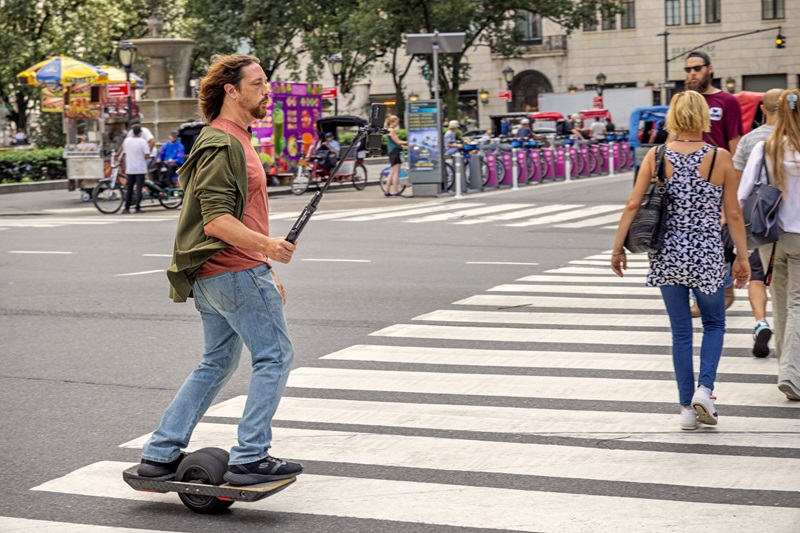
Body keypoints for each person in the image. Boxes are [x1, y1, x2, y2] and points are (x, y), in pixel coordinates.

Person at [137, 53, 302, 485]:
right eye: (258, 83)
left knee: (216, 364)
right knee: (275, 357)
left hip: (224, 274)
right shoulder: (223, 142)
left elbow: (236, 216)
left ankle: (160, 453)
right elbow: (216, 221)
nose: (267, 91)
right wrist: (267, 247)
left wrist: (264, 262)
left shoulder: (233, 139)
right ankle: (250, 457)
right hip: (234, 272)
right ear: (232, 90)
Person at [610, 91, 750, 430]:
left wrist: (617, 249)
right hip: (707, 254)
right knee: (714, 324)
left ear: (673, 117)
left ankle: (687, 408)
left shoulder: (656, 155)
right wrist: (742, 257)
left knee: (680, 332)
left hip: (668, 254)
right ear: (703, 116)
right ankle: (705, 389)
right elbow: (733, 213)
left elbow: (633, 204)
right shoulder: (719, 157)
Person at [738, 88, 800, 401]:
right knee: (797, 302)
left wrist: (739, 242)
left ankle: (785, 368)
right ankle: (791, 373)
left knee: (781, 300)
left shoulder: (765, 147)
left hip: (771, 236)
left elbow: (743, 192)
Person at [681, 51, 744, 311]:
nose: (692, 73)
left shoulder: (726, 101)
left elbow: (735, 146)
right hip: (686, 183)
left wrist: (734, 190)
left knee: (716, 239)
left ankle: (720, 288)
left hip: (717, 181)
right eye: (688, 69)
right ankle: (704, 292)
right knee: (688, 240)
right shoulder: (683, 100)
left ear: (710, 69)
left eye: (697, 68)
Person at [732, 88, 783, 357]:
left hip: (760, 220)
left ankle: (761, 322)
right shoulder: (795, 137)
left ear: (762, 110)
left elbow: (737, 181)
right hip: (791, 222)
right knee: (789, 285)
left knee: (757, 277)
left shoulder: (751, 140)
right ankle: (788, 335)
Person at [117, 125, 150, 214]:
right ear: (140, 133)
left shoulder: (127, 141)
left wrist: (117, 155)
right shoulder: (143, 142)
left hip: (130, 168)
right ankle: (137, 208)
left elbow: (122, 150)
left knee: (130, 188)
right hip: (140, 168)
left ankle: (126, 208)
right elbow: (147, 155)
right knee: (139, 188)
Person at [383, 114, 407, 197]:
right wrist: (408, 142)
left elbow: (395, 143)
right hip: (394, 152)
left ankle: (387, 191)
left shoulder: (389, 130)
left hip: (392, 151)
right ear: (392, 122)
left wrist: (403, 146)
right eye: (397, 122)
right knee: (396, 173)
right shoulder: (391, 130)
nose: (397, 124)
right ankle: (396, 191)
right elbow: (398, 141)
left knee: (392, 172)